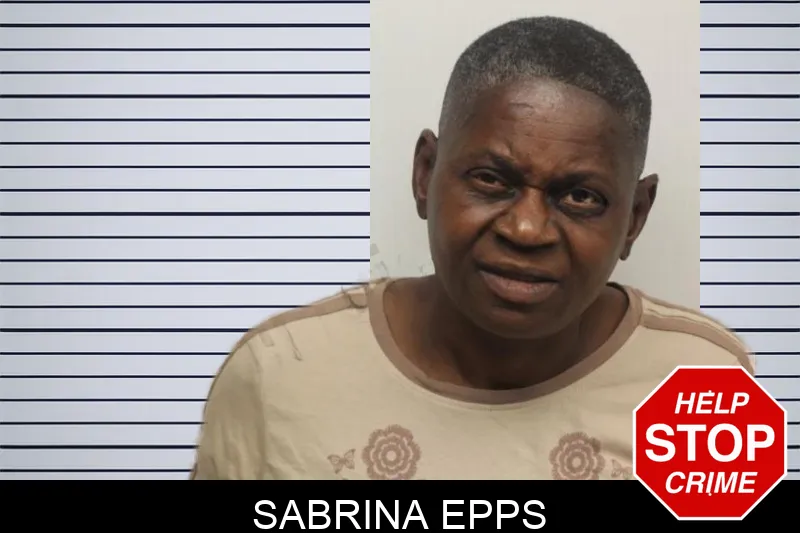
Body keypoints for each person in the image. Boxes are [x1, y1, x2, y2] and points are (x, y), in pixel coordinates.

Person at [190, 16, 751, 480]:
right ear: (425, 174)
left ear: (635, 218)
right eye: (490, 179)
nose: (527, 230)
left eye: (580, 196)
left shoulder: (705, 387)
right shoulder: (280, 374)